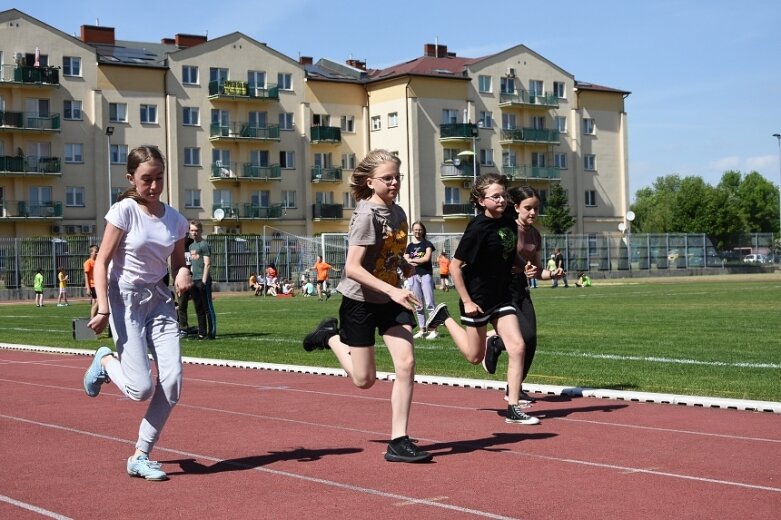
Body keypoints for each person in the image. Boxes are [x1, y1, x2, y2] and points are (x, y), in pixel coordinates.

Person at [302, 149, 432, 463]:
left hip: (390, 299)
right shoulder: (365, 215)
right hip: (360, 300)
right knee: (364, 380)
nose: (394, 182)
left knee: (406, 362)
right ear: (371, 182)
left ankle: (398, 440)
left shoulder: (399, 213)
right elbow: (352, 268)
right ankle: (330, 336)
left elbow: (388, 248)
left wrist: (404, 264)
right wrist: (393, 288)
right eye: (387, 178)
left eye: (397, 177)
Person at [82, 145, 191, 481]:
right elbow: (101, 262)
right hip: (124, 300)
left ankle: (140, 455)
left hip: (158, 302)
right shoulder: (124, 211)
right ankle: (104, 361)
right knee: (140, 389)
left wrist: (183, 271)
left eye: (159, 178)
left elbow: (177, 262)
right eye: (147, 179)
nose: (154, 186)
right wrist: (102, 307)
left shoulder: (174, 219)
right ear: (131, 178)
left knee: (172, 383)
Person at [424, 173, 540, 425]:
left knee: (518, 346)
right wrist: (466, 301)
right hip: (476, 297)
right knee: (474, 357)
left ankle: (513, 406)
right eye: (495, 196)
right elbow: (455, 267)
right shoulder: (477, 228)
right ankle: (444, 318)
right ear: (480, 200)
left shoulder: (509, 220)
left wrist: (524, 266)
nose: (501, 200)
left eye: (503, 195)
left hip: (501, 295)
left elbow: (509, 255)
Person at [488, 185, 565, 406]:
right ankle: (495, 343)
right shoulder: (507, 229)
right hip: (503, 288)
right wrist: (519, 267)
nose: (533, 213)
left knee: (531, 340)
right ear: (516, 207)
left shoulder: (535, 234)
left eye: (536, 209)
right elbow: (497, 261)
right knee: (524, 336)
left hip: (521, 288)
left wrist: (553, 274)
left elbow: (538, 270)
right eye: (528, 208)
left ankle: (515, 388)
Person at [404, 221, 439, 340]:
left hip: (425, 275)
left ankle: (434, 330)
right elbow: (406, 258)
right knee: (418, 304)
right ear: (412, 231)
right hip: (413, 276)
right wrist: (412, 260)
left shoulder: (427, 244)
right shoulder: (410, 246)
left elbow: (426, 258)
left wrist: (412, 261)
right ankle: (422, 329)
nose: (417, 231)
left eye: (419, 229)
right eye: (415, 229)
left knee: (429, 303)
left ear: (423, 230)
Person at [189, 220, 216, 339]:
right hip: (194, 280)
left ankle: (212, 333)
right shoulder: (191, 246)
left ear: (200, 231)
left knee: (207, 308)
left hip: (203, 280)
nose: (194, 233)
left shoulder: (204, 245)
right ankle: (201, 333)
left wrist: (204, 281)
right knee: (198, 308)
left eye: (196, 230)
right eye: (192, 230)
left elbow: (207, 264)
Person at [176, 234, 194, 335]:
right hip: (181, 278)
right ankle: (183, 326)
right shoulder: (177, 244)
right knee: (182, 304)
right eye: (184, 234)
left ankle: (203, 329)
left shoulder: (193, 243)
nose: (186, 236)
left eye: (187, 234)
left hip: (194, 277)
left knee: (200, 304)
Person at [83, 245, 99, 318]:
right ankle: (92, 317)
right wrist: (88, 287)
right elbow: (86, 276)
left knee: (95, 301)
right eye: (95, 251)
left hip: (98, 284)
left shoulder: (98, 261)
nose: (97, 253)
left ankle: (93, 317)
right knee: (99, 301)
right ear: (91, 252)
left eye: (97, 251)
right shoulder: (88, 262)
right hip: (93, 285)